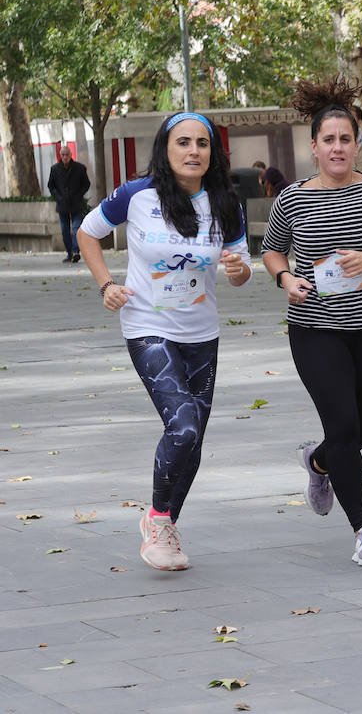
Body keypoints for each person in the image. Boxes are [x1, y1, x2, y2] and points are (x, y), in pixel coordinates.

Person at [75, 113, 252, 571]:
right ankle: (157, 520)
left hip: (201, 334)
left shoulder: (227, 202)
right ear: (166, 148)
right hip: (146, 325)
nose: (193, 151)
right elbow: (87, 233)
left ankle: (165, 524)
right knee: (185, 426)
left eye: (202, 143)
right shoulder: (137, 195)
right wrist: (104, 285)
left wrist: (238, 271)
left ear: (213, 151)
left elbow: (241, 265)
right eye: (183, 143)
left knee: (192, 439)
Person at [262, 77, 362, 567]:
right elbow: (270, 251)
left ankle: (320, 459)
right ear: (314, 147)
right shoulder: (291, 199)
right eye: (328, 139)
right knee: (344, 423)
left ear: (357, 144)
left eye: (345, 139)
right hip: (314, 328)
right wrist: (285, 278)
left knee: (361, 429)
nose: (337, 147)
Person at [48, 144, 91, 263]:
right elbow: (51, 186)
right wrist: (57, 196)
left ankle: (76, 251)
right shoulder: (55, 169)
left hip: (76, 204)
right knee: (64, 230)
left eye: (67, 154)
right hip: (62, 205)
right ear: (60, 155)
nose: (65, 157)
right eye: (63, 155)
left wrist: (79, 195)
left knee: (76, 228)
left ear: (71, 155)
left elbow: (86, 184)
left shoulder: (80, 168)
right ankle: (69, 253)